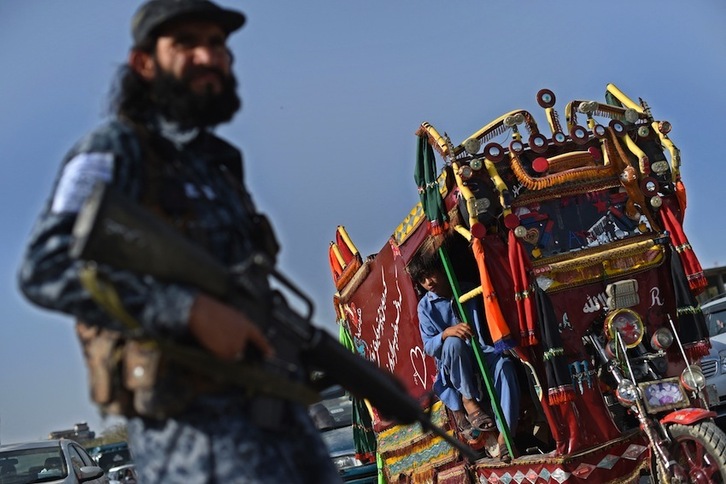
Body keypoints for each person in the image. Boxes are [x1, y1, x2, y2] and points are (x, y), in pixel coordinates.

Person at [17, 1, 341, 482]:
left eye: (216, 43)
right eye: (185, 43)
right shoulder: (115, 150)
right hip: (195, 443)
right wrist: (182, 308)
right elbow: (44, 266)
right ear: (144, 64)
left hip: (281, 425)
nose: (208, 56)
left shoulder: (219, 164)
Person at [408, 253, 520, 461]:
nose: (428, 283)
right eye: (422, 280)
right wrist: (446, 333)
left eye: (430, 275)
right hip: (454, 365)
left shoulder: (469, 289)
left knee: (505, 366)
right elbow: (429, 347)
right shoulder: (425, 307)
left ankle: (506, 437)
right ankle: (468, 399)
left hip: (483, 352)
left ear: (441, 270)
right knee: (453, 343)